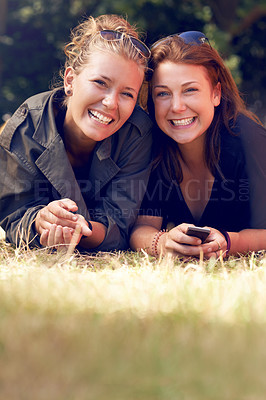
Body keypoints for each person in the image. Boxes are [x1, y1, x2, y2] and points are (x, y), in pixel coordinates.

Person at [0, 14, 153, 252]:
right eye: (101, 83)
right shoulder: (26, 126)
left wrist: (80, 230)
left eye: (127, 93)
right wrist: (40, 222)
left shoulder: (137, 134)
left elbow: (121, 226)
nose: (111, 103)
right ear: (70, 80)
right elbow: (13, 216)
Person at [130, 31, 266, 259]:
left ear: (216, 93)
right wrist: (162, 242)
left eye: (190, 90)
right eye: (163, 93)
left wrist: (230, 242)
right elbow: (141, 227)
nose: (177, 106)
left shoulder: (251, 141)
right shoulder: (152, 142)